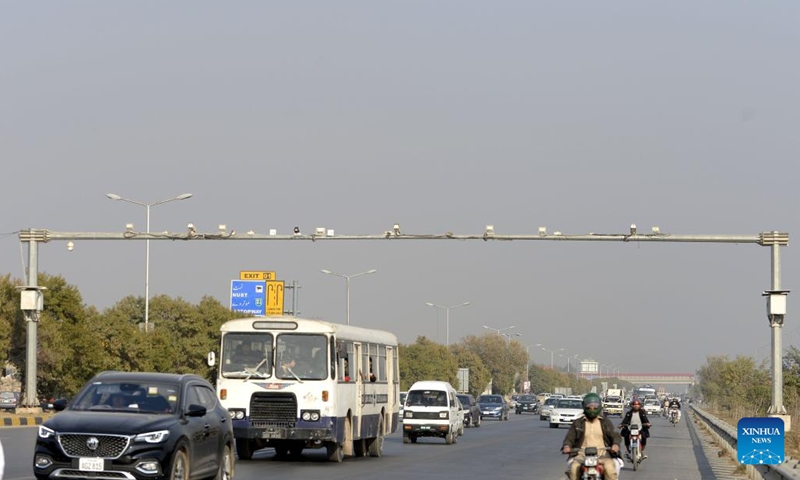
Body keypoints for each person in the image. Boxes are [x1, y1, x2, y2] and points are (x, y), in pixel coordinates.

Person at [561, 392, 622, 480]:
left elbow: (615, 436)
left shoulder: (605, 422)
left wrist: (615, 445)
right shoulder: (578, 423)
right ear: (584, 406)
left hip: (603, 455)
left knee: (610, 470)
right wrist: (567, 446)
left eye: (595, 406)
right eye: (589, 406)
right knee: (574, 469)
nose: (592, 408)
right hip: (581, 455)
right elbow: (570, 437)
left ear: (599, 406)